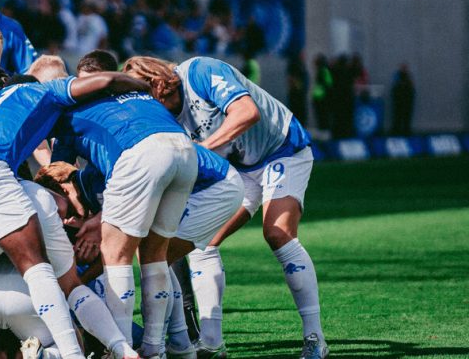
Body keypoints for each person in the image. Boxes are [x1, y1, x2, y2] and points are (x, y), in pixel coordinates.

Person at [0, 69, 153, 359]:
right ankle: (104, 349)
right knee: (58, 281)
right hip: (31, 298)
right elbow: (107, 81)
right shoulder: (43, 95)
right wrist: (143, 86)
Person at [122, 56, 327, 359]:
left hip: (282, 150)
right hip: (236, 168)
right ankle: (211, 342)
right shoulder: (161, 116)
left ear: (156, 84)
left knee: (277, 233)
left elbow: (247, 112)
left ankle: (315, 338)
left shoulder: (200, 72)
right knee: (202, 242)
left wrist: (202, 150)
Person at [42, 49, 199, 359]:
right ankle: (163, 347)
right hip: (184, 149)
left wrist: (95, 221)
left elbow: (56, 174)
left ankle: (122, 347)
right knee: (155, 256)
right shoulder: (135, 95)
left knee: (116, 256)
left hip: (140, 154)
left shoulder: (70, 107)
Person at [390, 64, 415, 136]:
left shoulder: (409, 76)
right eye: (403, 68)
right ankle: (396, 129)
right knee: (397, 115)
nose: (404, 69)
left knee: (406, 115)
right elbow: (394, 86)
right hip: (399, 100)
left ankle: (406, 130)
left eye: (405, 68)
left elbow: (412, 87)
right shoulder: (397, 76)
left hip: (407, 100)